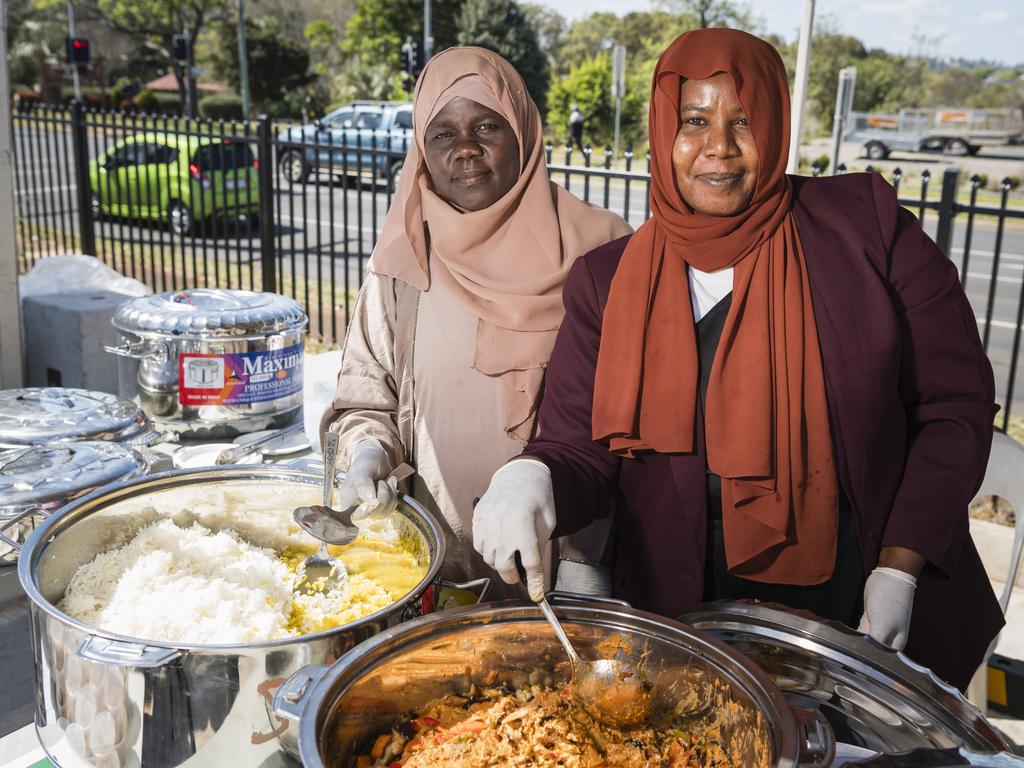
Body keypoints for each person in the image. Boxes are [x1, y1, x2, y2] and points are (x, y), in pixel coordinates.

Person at [471, 28, 1003, 689]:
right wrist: (532, 478)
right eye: (694, 121)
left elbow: (955, 407)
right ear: (665, 131)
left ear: (776, 126)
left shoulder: (867, 232)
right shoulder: (605, 283)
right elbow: (581, 451)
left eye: (743, 120)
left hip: (860, 598)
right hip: (681, 607)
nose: (718, 147)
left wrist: (901, 566)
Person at [320, 47, 631, 600]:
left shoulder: (604, 251)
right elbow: (366, 397)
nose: (466, 149)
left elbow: (630, 424)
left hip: (562, 576)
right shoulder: (403, 258)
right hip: (435, 570)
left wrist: (586, 565)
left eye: (487, 125)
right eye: (442, 134)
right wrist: (368, 451)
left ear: (524, 133)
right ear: (421, 149)